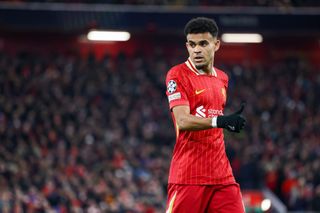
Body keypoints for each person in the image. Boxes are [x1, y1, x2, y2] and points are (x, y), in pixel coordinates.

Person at [165, 17, 246, 213]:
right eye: (192, 45)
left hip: (222, 176)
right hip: (189, 177)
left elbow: (212, 121)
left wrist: (226, 124)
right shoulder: (177, 75)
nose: (196, 50)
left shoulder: (223, 79)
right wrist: (221, 121)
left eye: (203, 44)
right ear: (187, 46)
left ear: (216, 44)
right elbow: (183, 121)